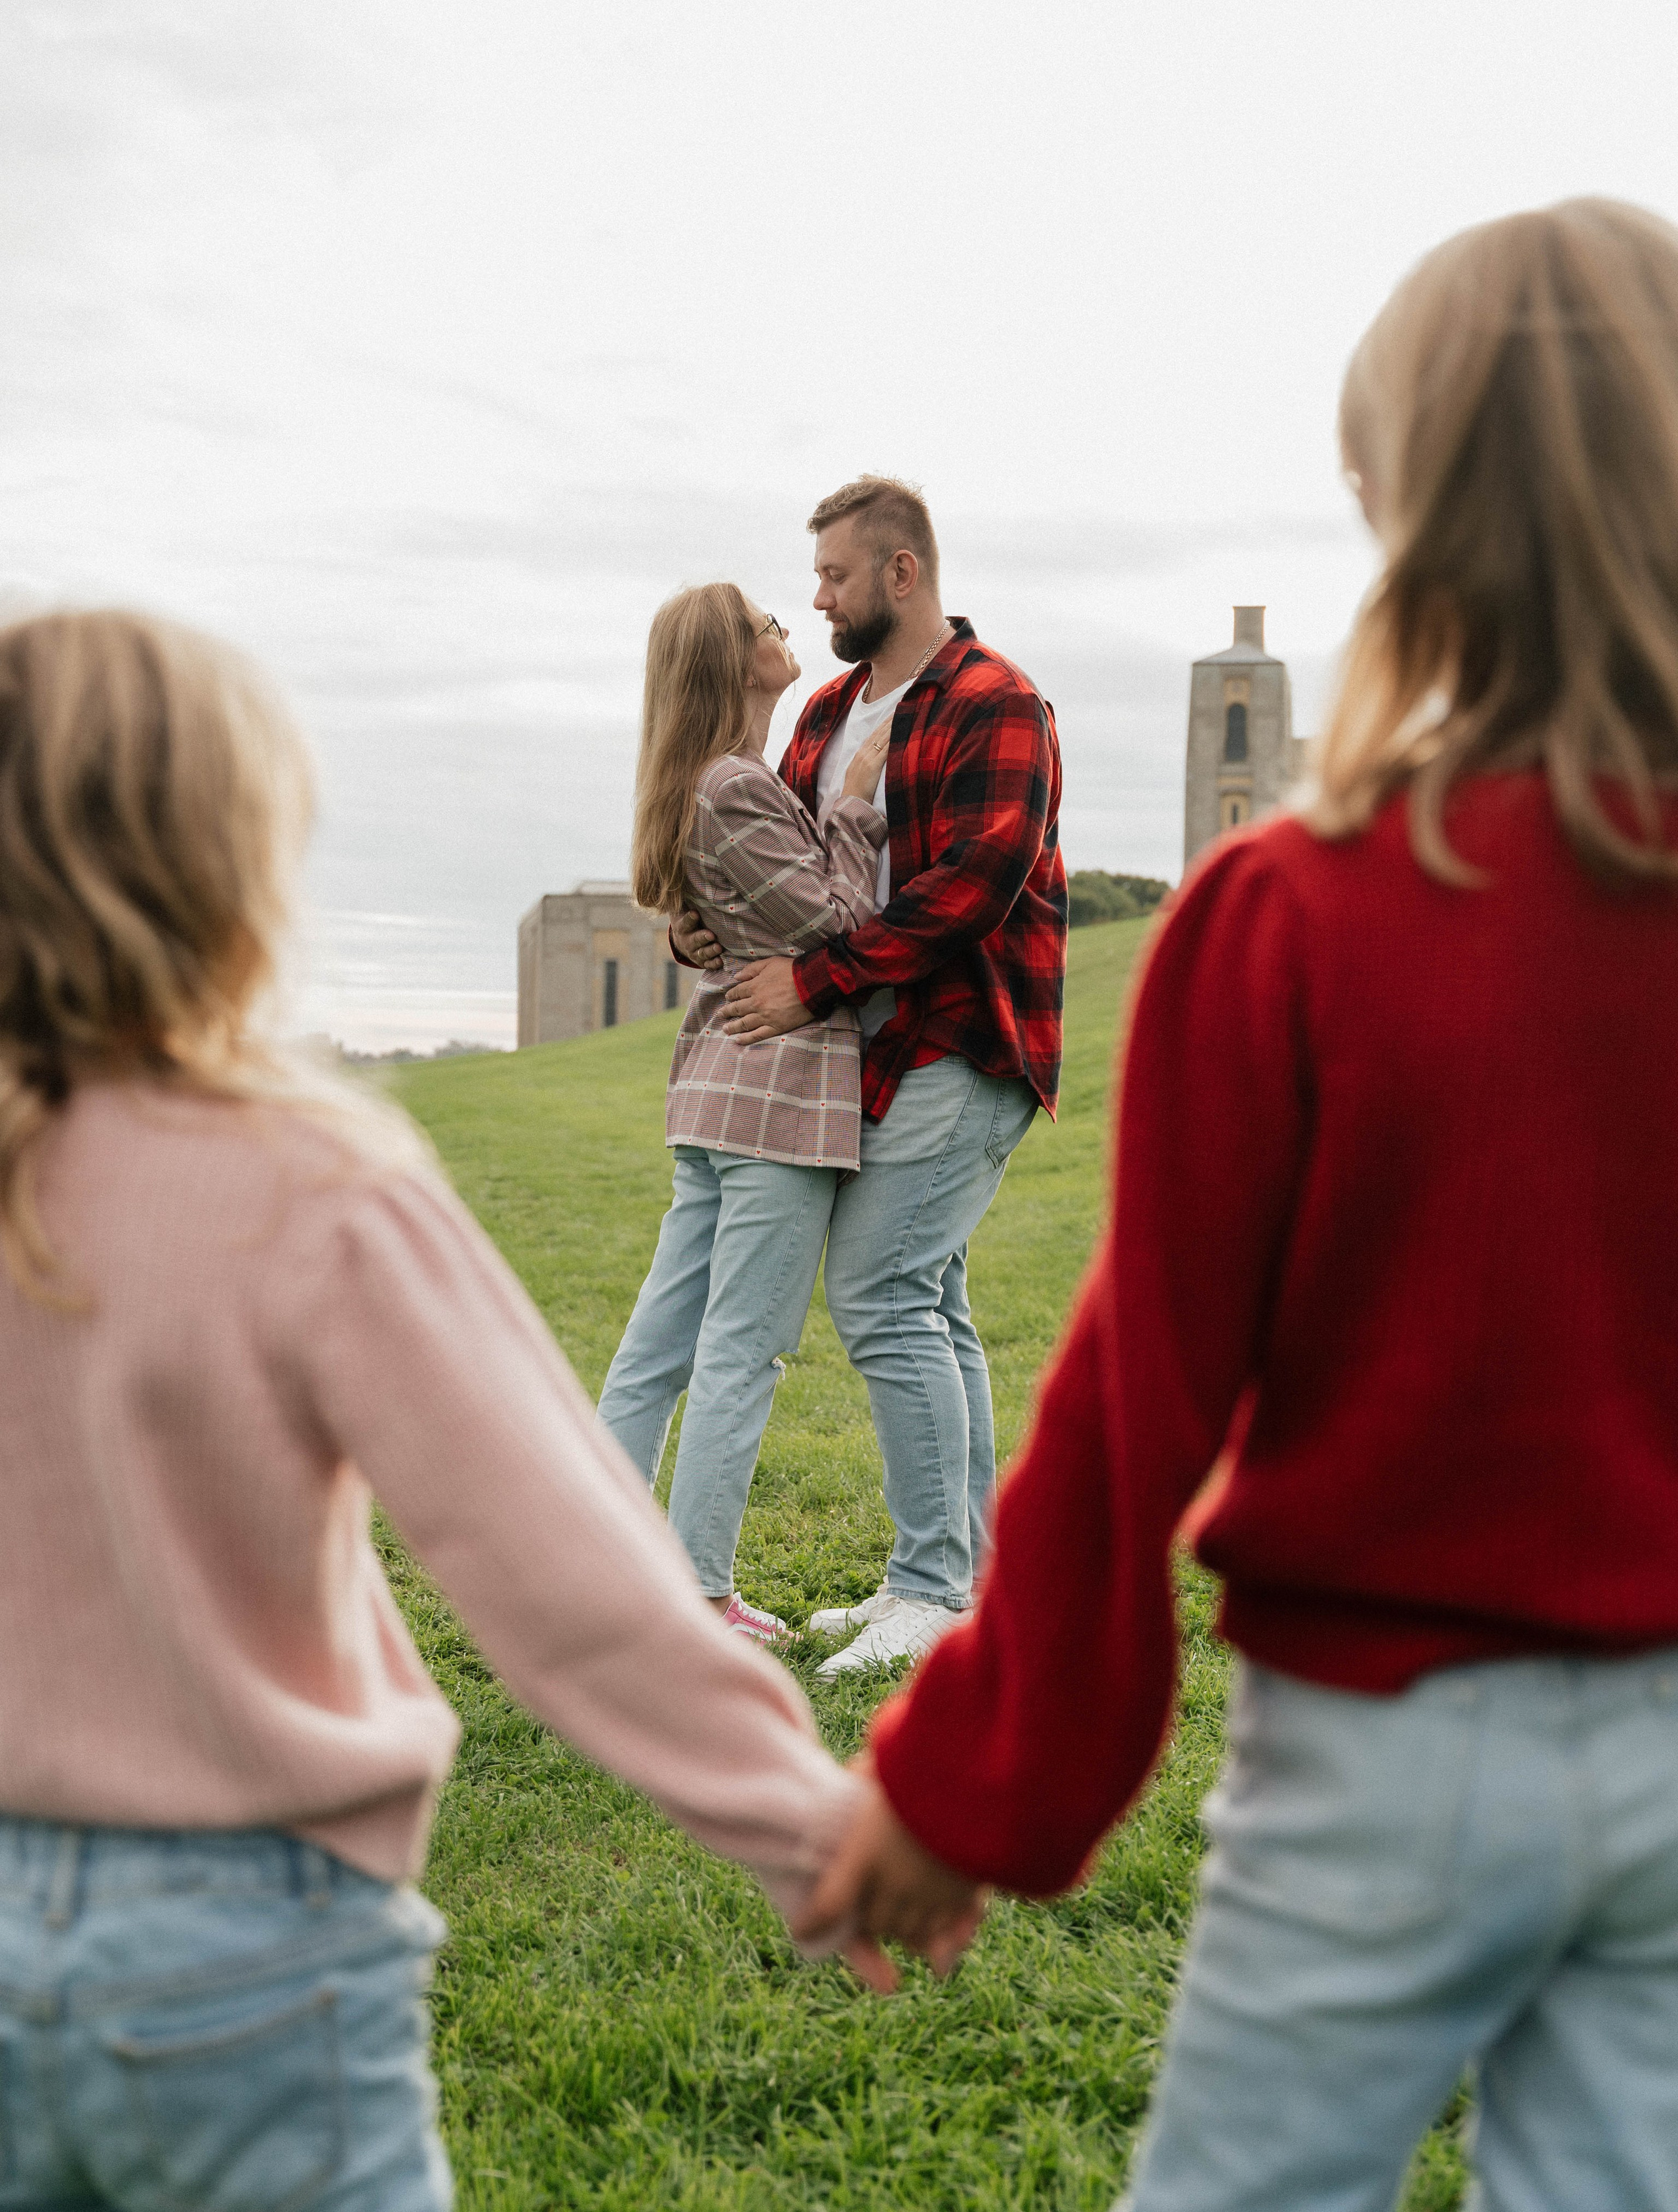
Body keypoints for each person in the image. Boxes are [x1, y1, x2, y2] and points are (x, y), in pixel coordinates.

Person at [799, 199, 1678, 2207]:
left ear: (1400, 511)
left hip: (1384, 1750)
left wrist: (973, 1778)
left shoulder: (1293, 909)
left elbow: (1137, 1407)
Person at [0, 609, 894, 2212]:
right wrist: (806, 1823)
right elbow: (560, 1568)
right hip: (248, 1952)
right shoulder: (308, 1182)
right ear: (225, 855)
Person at [688, 477, 1066, 1679]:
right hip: (869, 1047)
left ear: (902, 574)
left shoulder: (999, 701)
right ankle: (961, 1577)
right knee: (931, 1300)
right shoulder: (827, 713)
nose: (816, 599)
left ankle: (932, 1587)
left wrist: (815, 980)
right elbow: (788, 867)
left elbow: (974, 888)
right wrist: (710, 926)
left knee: (883, 1289)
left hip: (964, 1035)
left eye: (835, 576)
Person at [596, 582, 893, 1639]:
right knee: (737, 1350)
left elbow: (746, 919)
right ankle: (696, 1594)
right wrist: (855, 803)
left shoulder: (711, 781)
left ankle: (600, 1569)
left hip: (721, 1099)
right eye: (765, 624)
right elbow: (838, 926)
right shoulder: (734, 785)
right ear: (732, 661)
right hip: (775, 1101)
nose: (784, 629)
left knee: (662, 1345)